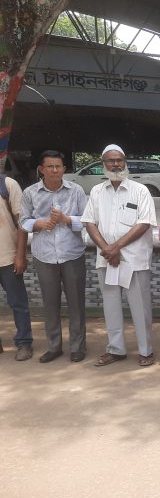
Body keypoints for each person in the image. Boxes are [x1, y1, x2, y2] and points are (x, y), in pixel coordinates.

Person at [81, 144, 157, 367]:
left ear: (125, 162)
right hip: (107, 259)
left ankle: (146, 350)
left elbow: (144, 223)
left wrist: (115, 248)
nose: (115, 164)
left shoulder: (139, 190)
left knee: (140, 306)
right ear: (103, 164)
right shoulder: (97, 191)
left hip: (133, 260)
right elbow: (89, 222)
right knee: (111, 304)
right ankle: (115, 349)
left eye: (119, 160)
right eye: (110, 161)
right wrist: (107, 249)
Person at [20, 150, 87, 363]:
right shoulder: (30, 193)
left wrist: (66, 219)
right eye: (50, 166)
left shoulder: (76, 191)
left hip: (72, 254)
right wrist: (39, 223)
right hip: (44, 255)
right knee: (50, 304)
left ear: (64, 169)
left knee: (76, 303)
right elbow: (23, 221)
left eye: (58, 166)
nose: (55, 170)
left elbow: (87, 221)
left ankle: (77, 347)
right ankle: (54, 346)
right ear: (42, 169)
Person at [0, 169, 33, 360]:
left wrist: (20, 255)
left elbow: (23, 222)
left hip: (7, 256)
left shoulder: (7, 185)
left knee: (18, 303)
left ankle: (24, 343)